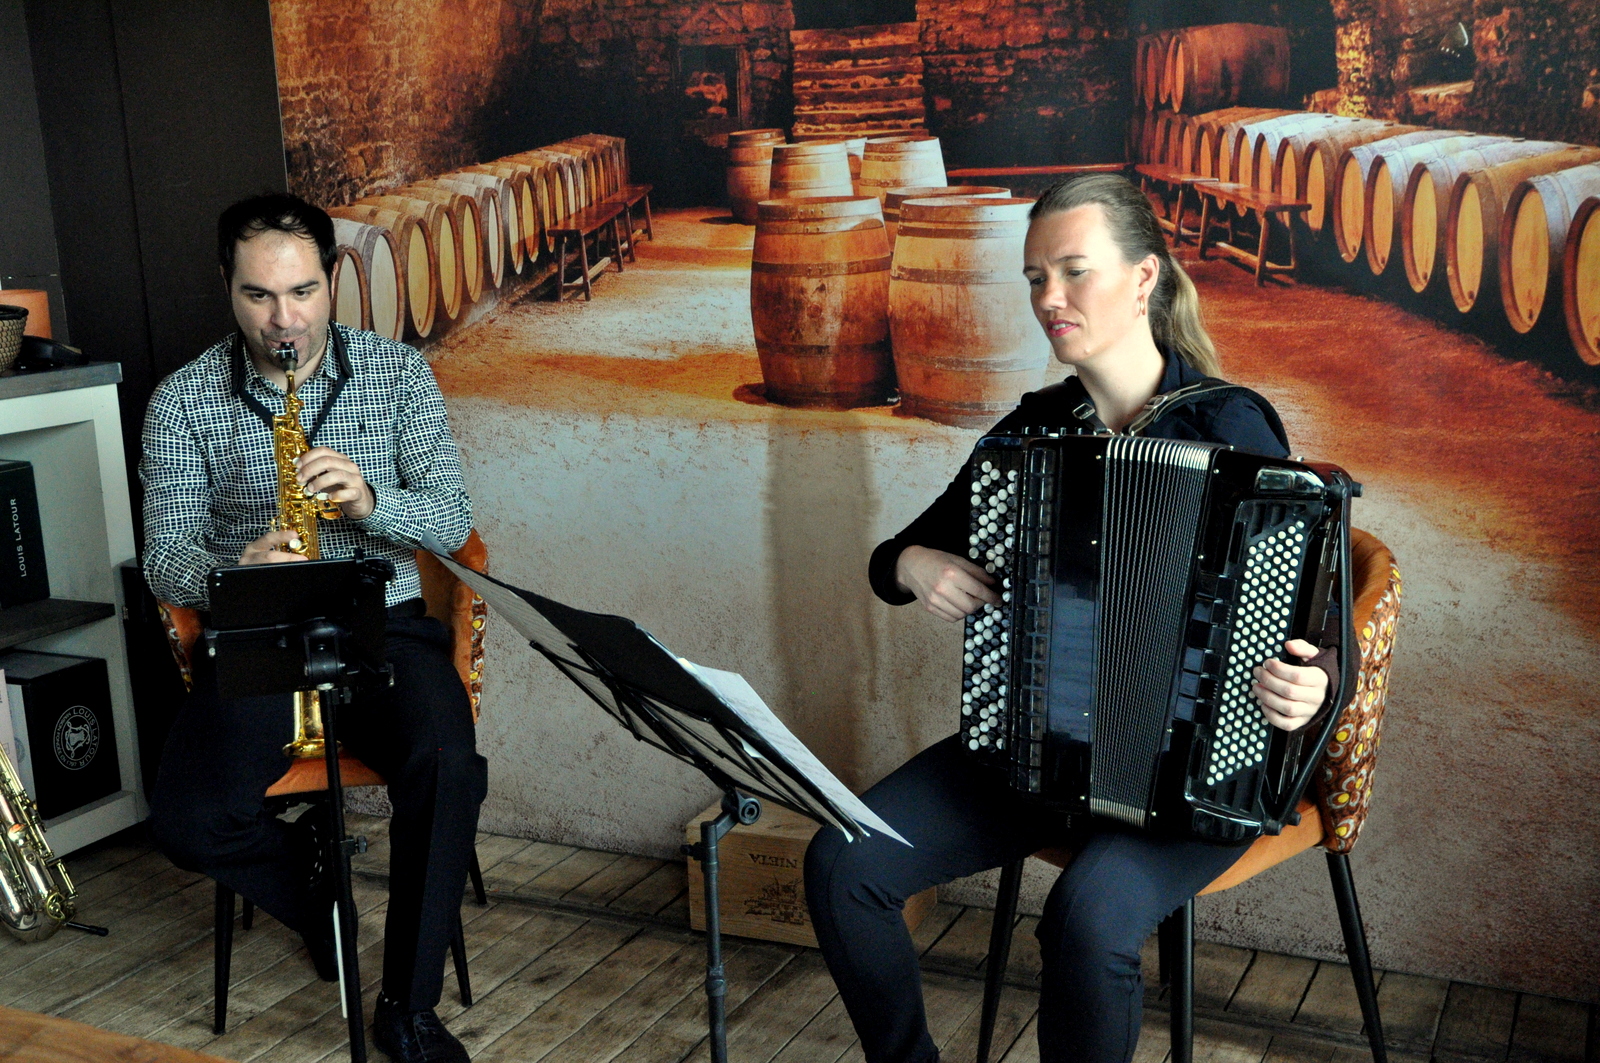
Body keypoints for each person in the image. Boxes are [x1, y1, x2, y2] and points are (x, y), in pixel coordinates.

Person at [803, 174, 1340, 1063]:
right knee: (843, 862)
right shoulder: (1029, 436)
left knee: (1086, 922)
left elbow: (1316, 628)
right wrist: (916, 561)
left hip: (1195, 777)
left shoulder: (1232, 426)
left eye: (1073, 271)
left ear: (1143, 279)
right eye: (1034, 278)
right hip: (1034, 753)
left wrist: (1308, 678)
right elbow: (890, 557)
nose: (1049, 298)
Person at [141, 192, 486, 1063]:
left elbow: (450, 518)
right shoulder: (181, 400)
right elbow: (164, 558)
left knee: (449, 764)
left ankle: (408, 1009)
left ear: (332, 279)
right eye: (259, 296)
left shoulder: (398, 374)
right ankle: (309, 877)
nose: (282, 319)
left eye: (300, 292)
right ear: (227, 284)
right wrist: (231, 575)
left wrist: (372, 502)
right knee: (185, 817)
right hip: (256, 629)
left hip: (386, 622)